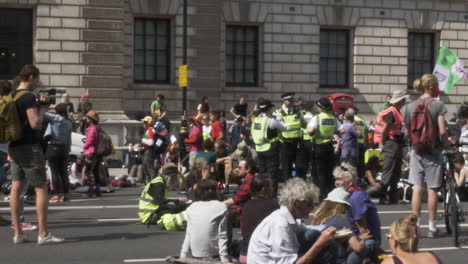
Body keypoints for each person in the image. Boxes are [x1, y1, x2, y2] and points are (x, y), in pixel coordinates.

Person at [8, 64, 64, 245]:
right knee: (41, 188)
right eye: (37, 79)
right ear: (31, 77)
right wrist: (43, 107)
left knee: (16, 189)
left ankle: (18, 233)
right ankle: (43, 233)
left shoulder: (12, 95)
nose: (37, 82)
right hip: (30, 147)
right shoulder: (28, 97)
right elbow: (35, 124)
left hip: (14, 145)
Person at [247, 178, 337, 264]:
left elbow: (307, 228)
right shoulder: (280, 224)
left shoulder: (288, 217)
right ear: (296, 203)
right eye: (309, 204)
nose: (312, 208)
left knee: (314, 236)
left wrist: (330, 230)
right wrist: (319, 244)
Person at [404, 74, 450, 237]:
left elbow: (407, 131)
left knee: (417, 188)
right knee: (432, 189)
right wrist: (448, 145)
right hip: (433, 151)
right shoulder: (438, 105)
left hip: (416, 151)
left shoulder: (409, 106)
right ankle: (432, 227)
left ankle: (415, 227)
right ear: (431, 87)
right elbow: (442, 131)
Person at [311, 187, 378, 264]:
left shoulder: (318, 219)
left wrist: (357, 237)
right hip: (340, 260)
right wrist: (362, 239)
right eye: (346, 207)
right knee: (370, 243)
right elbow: (358, 248)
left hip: (322, 259)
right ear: (341, 206)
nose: (347, 210)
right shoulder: (341, 219)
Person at [180, 179, 231, 264]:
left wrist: (183, 255)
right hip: (213, 254)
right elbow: (222, 235)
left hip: (195, 254)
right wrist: (224, 259)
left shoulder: (192, 207)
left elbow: (189, 233)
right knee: (227, 227)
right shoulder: (221, 207)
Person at [334, 163, 383, 250]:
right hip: (353, 239)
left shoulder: (356, 198)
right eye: (335, 179)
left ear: (350, 181)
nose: (336, 183)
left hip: (364, 245)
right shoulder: (349, 195)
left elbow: (363, 231)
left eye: (339, 179)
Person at [373, 90, 408, 205]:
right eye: (403, 99)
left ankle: (393, 197)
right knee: (388, 170)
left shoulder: (396, 111)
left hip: (396, 143)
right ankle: (382, 197)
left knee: (396, 171)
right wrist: (383, 144)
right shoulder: (392, 112)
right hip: (391, 143)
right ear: (399, 101)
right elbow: (385, 129)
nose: (405, 101)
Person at [239, 174, 279, 264]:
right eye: (271, 187)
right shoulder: (273, 205)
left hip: (244, 254)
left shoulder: (246, 205)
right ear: (264, 189)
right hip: (261, 256)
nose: (272, 189)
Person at [251, 99, 286, 196]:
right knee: (272, 174)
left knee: (262, 174)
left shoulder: (256, 120)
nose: (272, 109)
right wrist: (280, 119)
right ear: (268, 109)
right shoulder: (271, 120)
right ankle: (272, 196)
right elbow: (284, 128)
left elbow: (253, 133)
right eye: (271, 107)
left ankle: (261, 194)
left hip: (259, 149)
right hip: (270, 149)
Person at [308, 97, 340, 201]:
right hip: (329, 148)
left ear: (320, 107)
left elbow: (310, 131)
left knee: (321, 174)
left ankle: (323, 196)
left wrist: (311, 129)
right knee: (329, 172)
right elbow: (342, 130)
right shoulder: (333, 118)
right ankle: (331, 195)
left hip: (319, 148)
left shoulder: (316, 118)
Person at [274, 92, 306, 182]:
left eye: (292, 100)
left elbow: (303, 124)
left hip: (297, 142)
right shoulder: (278, 112)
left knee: (300, 167)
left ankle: (300, 186)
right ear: (284, 101)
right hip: (285, 143)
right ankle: (287, 188)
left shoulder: (297, 110)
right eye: (289, 100)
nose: (291, 102)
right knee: (286, 167)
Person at [45, 103, 73, 203]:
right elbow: (69, 138)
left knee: (54, 172)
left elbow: (43, 113)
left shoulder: (55, 118)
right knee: (64, 172)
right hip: (64, 149)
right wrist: (68, 149)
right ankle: (65, 195)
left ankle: (55, 195)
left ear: (57, 111)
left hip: (53, 147)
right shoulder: (69, 122)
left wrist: (49, 107)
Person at [82, 110, 102, 197]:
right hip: (95, 152)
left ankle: (91, 190)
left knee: (89, 172)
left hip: (90, 152)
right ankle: (97, 190)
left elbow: (90, 141)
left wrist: (84, 146)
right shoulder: (96, 128)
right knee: (95, 172)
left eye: (87, 117)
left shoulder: (92, 129)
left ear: (91, 119)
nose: (86, 118)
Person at [296, 102, 315, 180]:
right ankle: (313, 179)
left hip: (302, 142)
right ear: (311, 108)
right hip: (312, 142)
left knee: (303, 163)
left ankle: (303, 179)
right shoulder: (314, 118)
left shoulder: (302, 117)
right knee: (313, 163)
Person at [141, 116, 157, 183]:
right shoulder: (148, 130)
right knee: (145, 166)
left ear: (148, 123)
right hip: (147, 151)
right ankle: (149, 182)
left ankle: (153, 182)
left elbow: (150, 143)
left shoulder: (150, 130)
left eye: (145, 122)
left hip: (149, 151)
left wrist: (143, 140)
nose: (143, 124)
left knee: (149, 167)